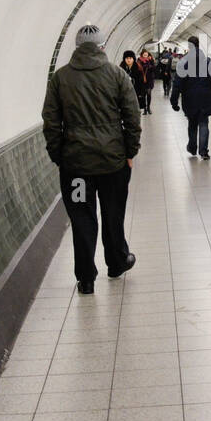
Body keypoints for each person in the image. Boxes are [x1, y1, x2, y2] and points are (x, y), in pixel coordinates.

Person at [43, 25, 141, 294]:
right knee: (113, 213)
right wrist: (130, 152)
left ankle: (86, 278)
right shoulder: (117, 75)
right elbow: (132, 116)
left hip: (75, 167)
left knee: (82, 218)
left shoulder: (60, 78)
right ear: (102, 46)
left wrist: (59, 156)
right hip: (113, 163)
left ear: (76, 47)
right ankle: (117, 262)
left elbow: (51, 122)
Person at [170, 36, 211, 159]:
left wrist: (174, 101)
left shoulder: (183, 62)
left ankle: (192, 148)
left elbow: (177, 84)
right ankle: (203, 152)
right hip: (205, 98)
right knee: (204, 123)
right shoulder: (207, 61)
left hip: (190, 99)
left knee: (192, 124)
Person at [120, 50, 149, 114]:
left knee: (135, 111)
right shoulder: (121, 69)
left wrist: (141, 93)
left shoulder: (138, 68)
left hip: (136, 92)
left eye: (130, 58)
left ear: (133, 59)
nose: (128, 60)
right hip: (125, 93)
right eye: (127, 58)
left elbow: (142, 82)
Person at [137, 49, 157, 114]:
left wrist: (151, 64)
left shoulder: (150, 60)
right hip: (142, 80)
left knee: (149, 94)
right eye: (144, 54)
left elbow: (154, 69)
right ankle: (145, 109)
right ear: (142, 54)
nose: (145, 55)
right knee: (143, 95)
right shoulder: (139, 60)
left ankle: (148, 108)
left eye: (146, 54)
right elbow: (138, 69)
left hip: (149, 80)